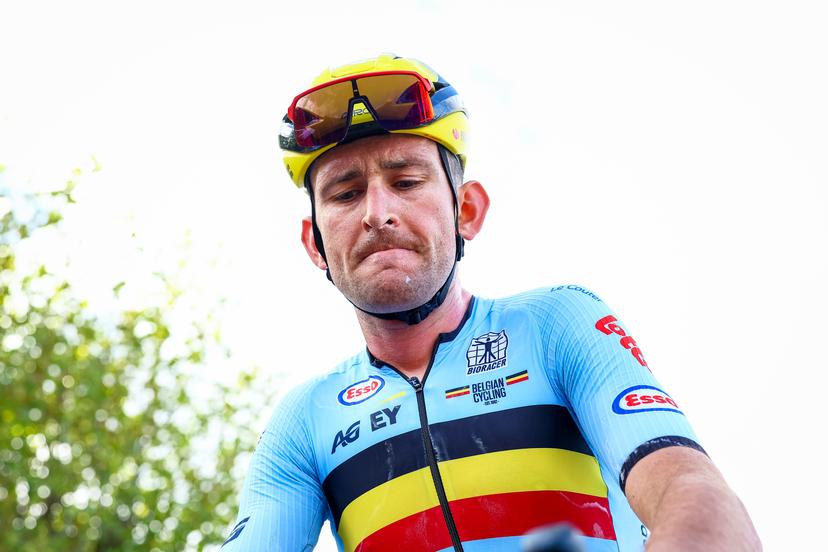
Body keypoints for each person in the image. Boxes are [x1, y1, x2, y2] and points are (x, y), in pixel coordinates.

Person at [222, 54, 761, 551]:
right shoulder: (305, 418)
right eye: (344, 193)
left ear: (467, 212)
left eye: (406, 181)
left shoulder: (555, 325)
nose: (376, 212)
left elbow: (691, 489)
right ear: (315, 244)